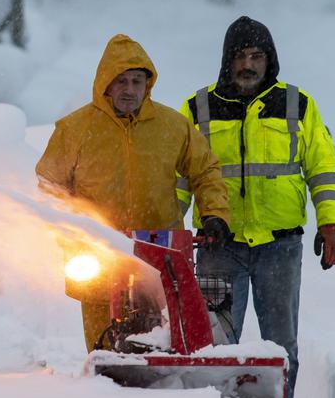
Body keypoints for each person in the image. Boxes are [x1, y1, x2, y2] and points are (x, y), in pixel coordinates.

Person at [176, 16, 335, 398]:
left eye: (257, 56)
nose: (248, 65)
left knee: (282, 342)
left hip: (280, 247)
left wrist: (331, 224)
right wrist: (169, 232)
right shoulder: (197, 108)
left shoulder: (297, 103)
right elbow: (180, 178)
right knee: (214, 344)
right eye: (240, 57)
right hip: (217, 246)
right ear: (226, 61)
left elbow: (321, 168)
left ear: (270, 60)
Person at [36, 34, 230, 353]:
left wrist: (215, 214)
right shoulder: (74, 129)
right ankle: (107, 394)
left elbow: (206, 169)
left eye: (136, 81)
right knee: (103, 345)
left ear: (147, 85)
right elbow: (50, 184)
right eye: (121, 81)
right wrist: (71, 233)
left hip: (161, 255)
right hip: (98, 252)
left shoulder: (172, 127)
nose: (129, 90)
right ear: (106, 85)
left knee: (169, 337)